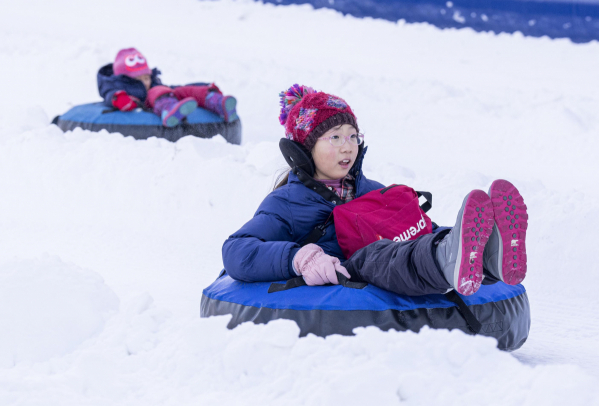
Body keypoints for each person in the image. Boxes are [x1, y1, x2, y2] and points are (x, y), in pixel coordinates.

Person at [222, 84, 528, 296]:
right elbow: (236, 250)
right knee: (375, 256)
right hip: (351, 272)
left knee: (426, 238)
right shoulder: (287, 202)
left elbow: (415, 231)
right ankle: (448, 260)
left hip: (403, 259)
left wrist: (437, 233)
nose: (348, 147)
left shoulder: (371, 191)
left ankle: (488, 255)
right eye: (335, 138)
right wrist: (299, 258)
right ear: (304, 149)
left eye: (353, 136)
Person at [97, 48, 238, 127]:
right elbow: (109, 94)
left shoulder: (154, 84)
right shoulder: (118, 86)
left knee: (183, 90)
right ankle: (169, 110)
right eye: (138, 79)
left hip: (163, 93)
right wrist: (119, 98)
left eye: (146, 77)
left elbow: (171, 88)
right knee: (157, 91)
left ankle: (216, 101)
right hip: (146, 102)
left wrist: (204, 87)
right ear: (125, 79)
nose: (145, 82)